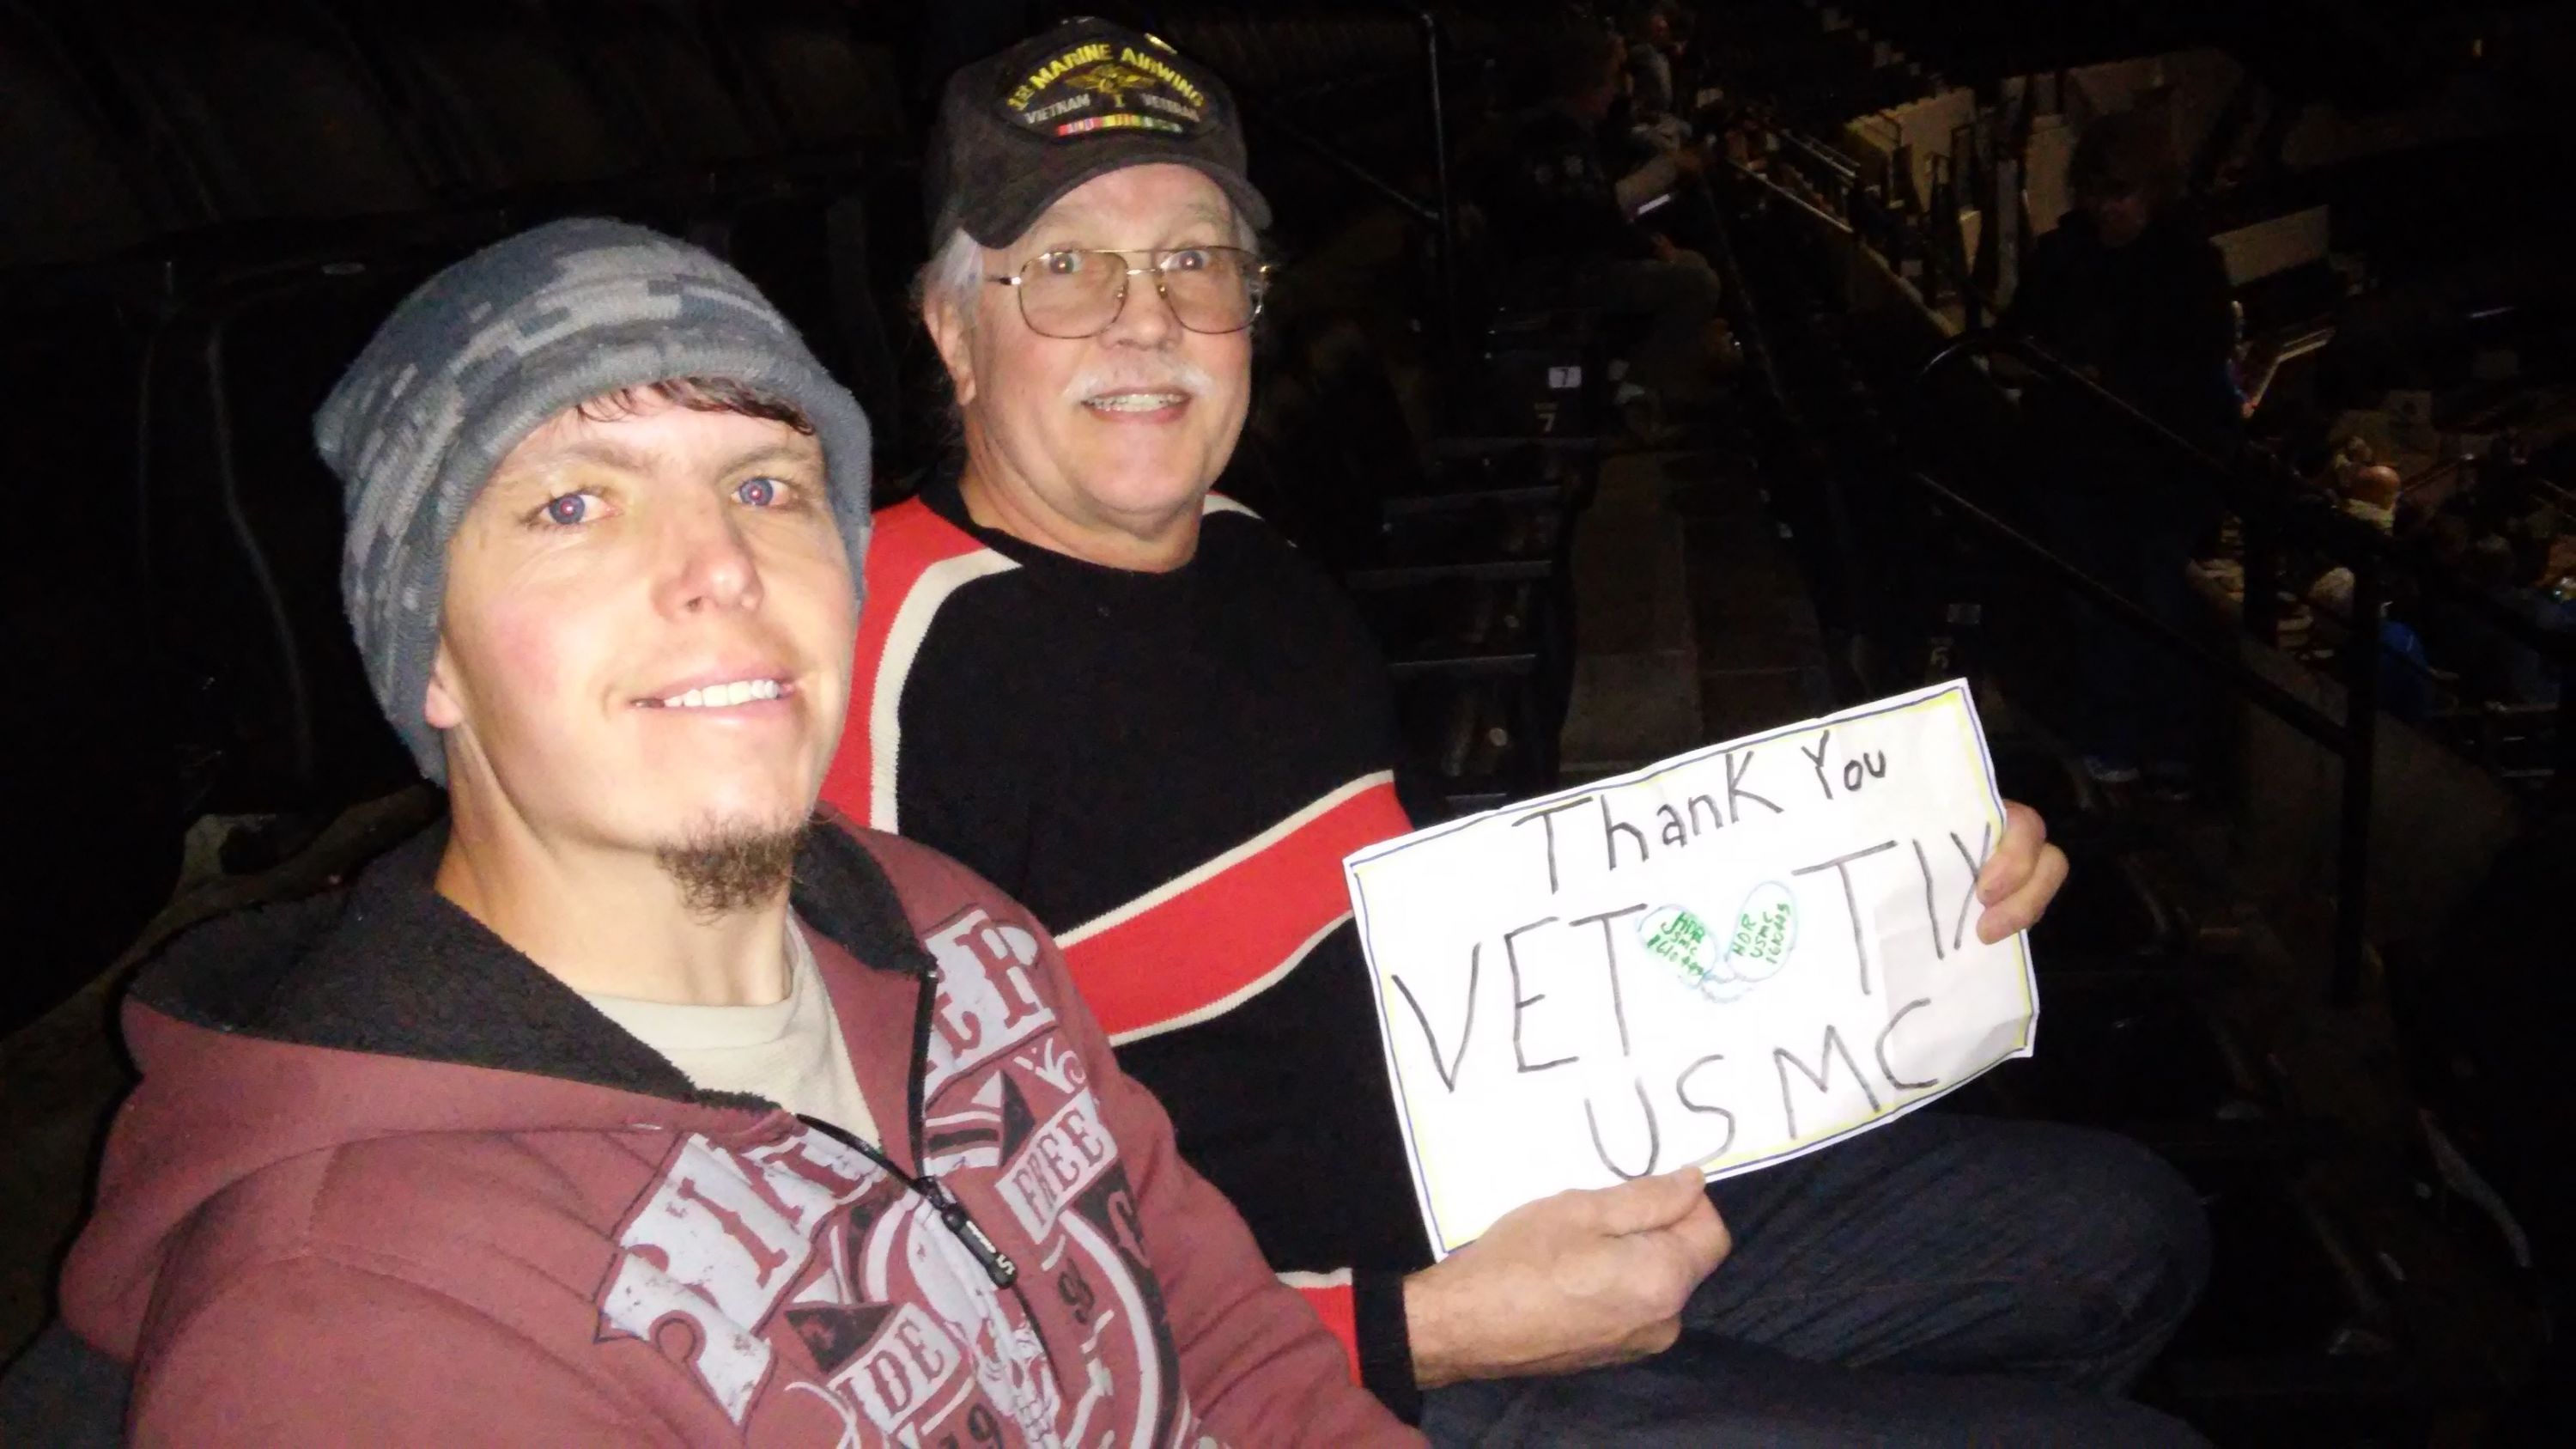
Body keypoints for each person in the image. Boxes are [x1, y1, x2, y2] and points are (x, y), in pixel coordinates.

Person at [824, 18, 2209, 1445]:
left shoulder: (1247, 557)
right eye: (1065, 266)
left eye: (1195, 259)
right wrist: (1426, 1329)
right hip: (1337, 1363)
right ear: (953, 331)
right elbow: (890, 1313)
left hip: (1521, 1160)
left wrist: (1878, 882)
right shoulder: (865, 689)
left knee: (2127, 1234)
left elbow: (1441, 902)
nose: (1149, 318)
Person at [55, 219, 1413, 1446]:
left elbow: (1234, 1349)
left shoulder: (955, 931)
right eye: (575, 505)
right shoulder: (362, 1332)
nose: (720, 566)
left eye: (765, 487)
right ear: (432, 658)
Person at [2007, 109, 2241, 791]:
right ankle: (2118, 739)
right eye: (2096, 192)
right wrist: (2070, 372)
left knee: (2160, 606)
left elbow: (2196, 366)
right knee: (2097, 609)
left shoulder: (2189, 264)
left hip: (2158, 469)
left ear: (2153, 190)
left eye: (2122, 193)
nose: (2107, 208)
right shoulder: (2064, 255)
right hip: (2078, 465)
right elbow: (2011, 345)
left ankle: (2167, 747)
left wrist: (2100, 377)